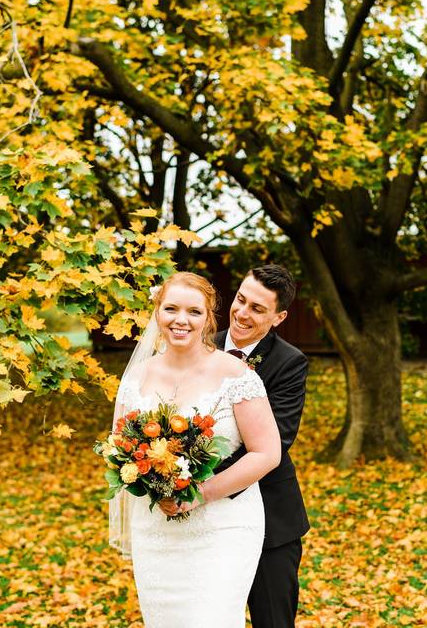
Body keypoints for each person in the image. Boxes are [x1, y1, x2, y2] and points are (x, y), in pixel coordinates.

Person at [110, 271, 281, 628]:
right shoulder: (137, 376)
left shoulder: (236, 375)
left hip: (223, 528)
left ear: (208, 318)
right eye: (171, 308)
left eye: (194, 311)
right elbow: (120, 447)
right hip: (156, 528)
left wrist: (198, 494)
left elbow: (267, 453)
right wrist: (149, 480)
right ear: (158, 312)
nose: (180, 320)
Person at [213, 264, 310, 628]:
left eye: (257, 308)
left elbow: (278, 441)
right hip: (202, 521)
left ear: (278, 317)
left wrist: (199, 476)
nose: (242, 313)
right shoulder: (200, 346)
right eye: (240, 300)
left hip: (271, 518)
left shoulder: (289, 362)